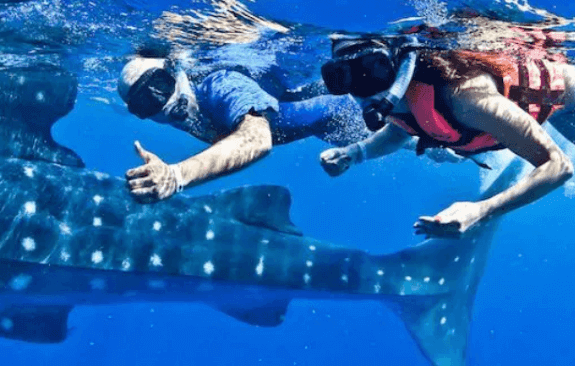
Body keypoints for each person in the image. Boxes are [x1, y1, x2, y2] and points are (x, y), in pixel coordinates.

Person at [319, 26, 575, 238]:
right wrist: (356, 152)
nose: (362, 88)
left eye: (373, 68)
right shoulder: (402, 95)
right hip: (554, 110)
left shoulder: (467, 98)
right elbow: (401, 130)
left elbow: (558, 166)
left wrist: (481, 211)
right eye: (341, 76)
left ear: (396, 62)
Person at [117, 55, 369, 202]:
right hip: (330, 130)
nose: (163, 103)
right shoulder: (184, 115)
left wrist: (176, 176)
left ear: (176, 72)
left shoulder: (220, 85)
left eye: (159, 86)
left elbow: (257, 139)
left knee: (405, 138)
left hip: (358, 113)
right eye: (145, 103)